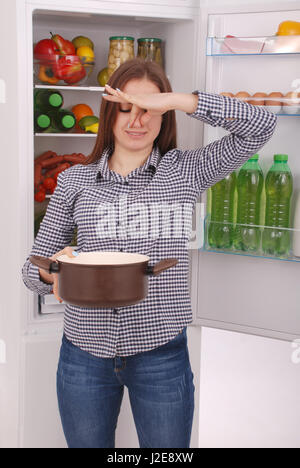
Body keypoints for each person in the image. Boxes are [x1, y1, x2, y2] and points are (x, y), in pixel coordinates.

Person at [22, 58, 277, 448]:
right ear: (109, 115)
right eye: (125, 109)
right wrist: (53, 271)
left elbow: (261, 125)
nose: (136, 121)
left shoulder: (186, 170)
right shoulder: (74, 180)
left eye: (149, 110)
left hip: (161, 355)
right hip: (84, 354)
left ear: (164, 116)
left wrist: (179, 99)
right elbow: (31, 270)